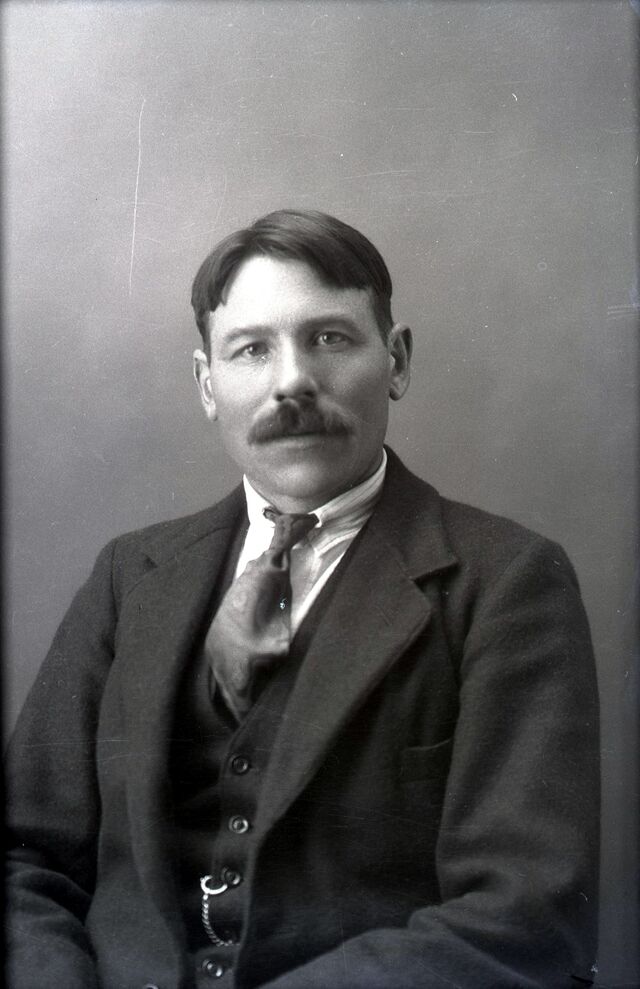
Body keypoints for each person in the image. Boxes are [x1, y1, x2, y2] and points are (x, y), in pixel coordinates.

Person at [6, 209, 600, 989]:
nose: (292, 380)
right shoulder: (129, 576)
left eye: (329, 338)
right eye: (252, 349)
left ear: (396, 360)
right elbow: (22, 860)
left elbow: (526, 914)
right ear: (208, 384)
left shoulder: (507, 581)